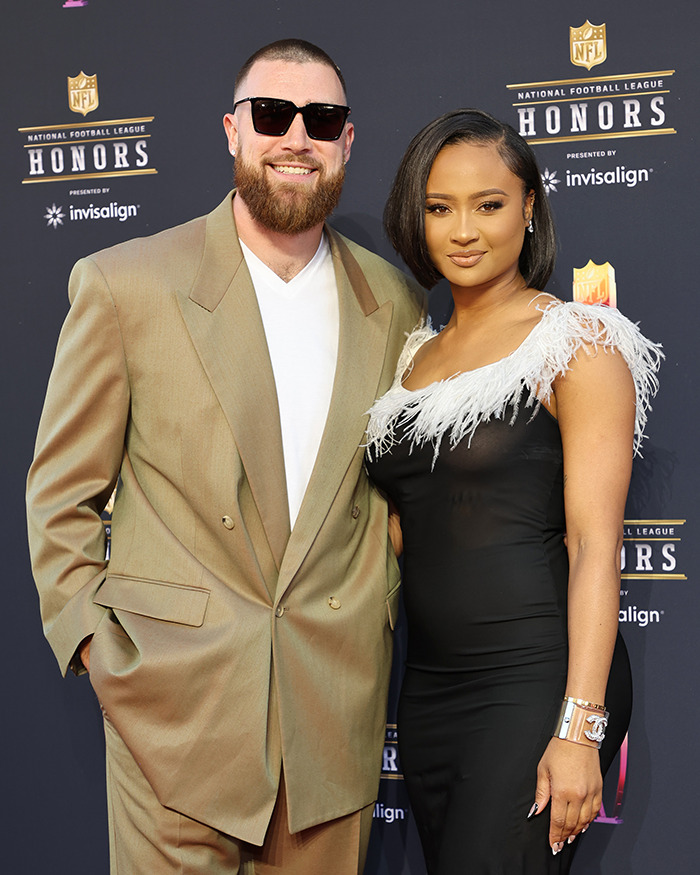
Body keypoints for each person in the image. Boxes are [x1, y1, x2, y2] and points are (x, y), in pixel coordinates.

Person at [26, 39, 424, 874]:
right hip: (172, 721)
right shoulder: (124, 284)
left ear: (348, 142)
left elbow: (392, 495)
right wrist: (102, 654)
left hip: (330, 716)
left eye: (322, 120)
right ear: (231, 132)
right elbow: (61, 496)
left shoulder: (391, 301)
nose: (296, 138)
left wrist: (374, 609)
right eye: (272, 115)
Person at [364, 108, 662, 874]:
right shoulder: (410, 361)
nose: (463, 230)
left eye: (489, 205)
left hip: (536, 684)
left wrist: (579, 726)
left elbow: (595, 544)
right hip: (429, 693)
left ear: (530, 207)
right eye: (440, 208)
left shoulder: (578, 343)